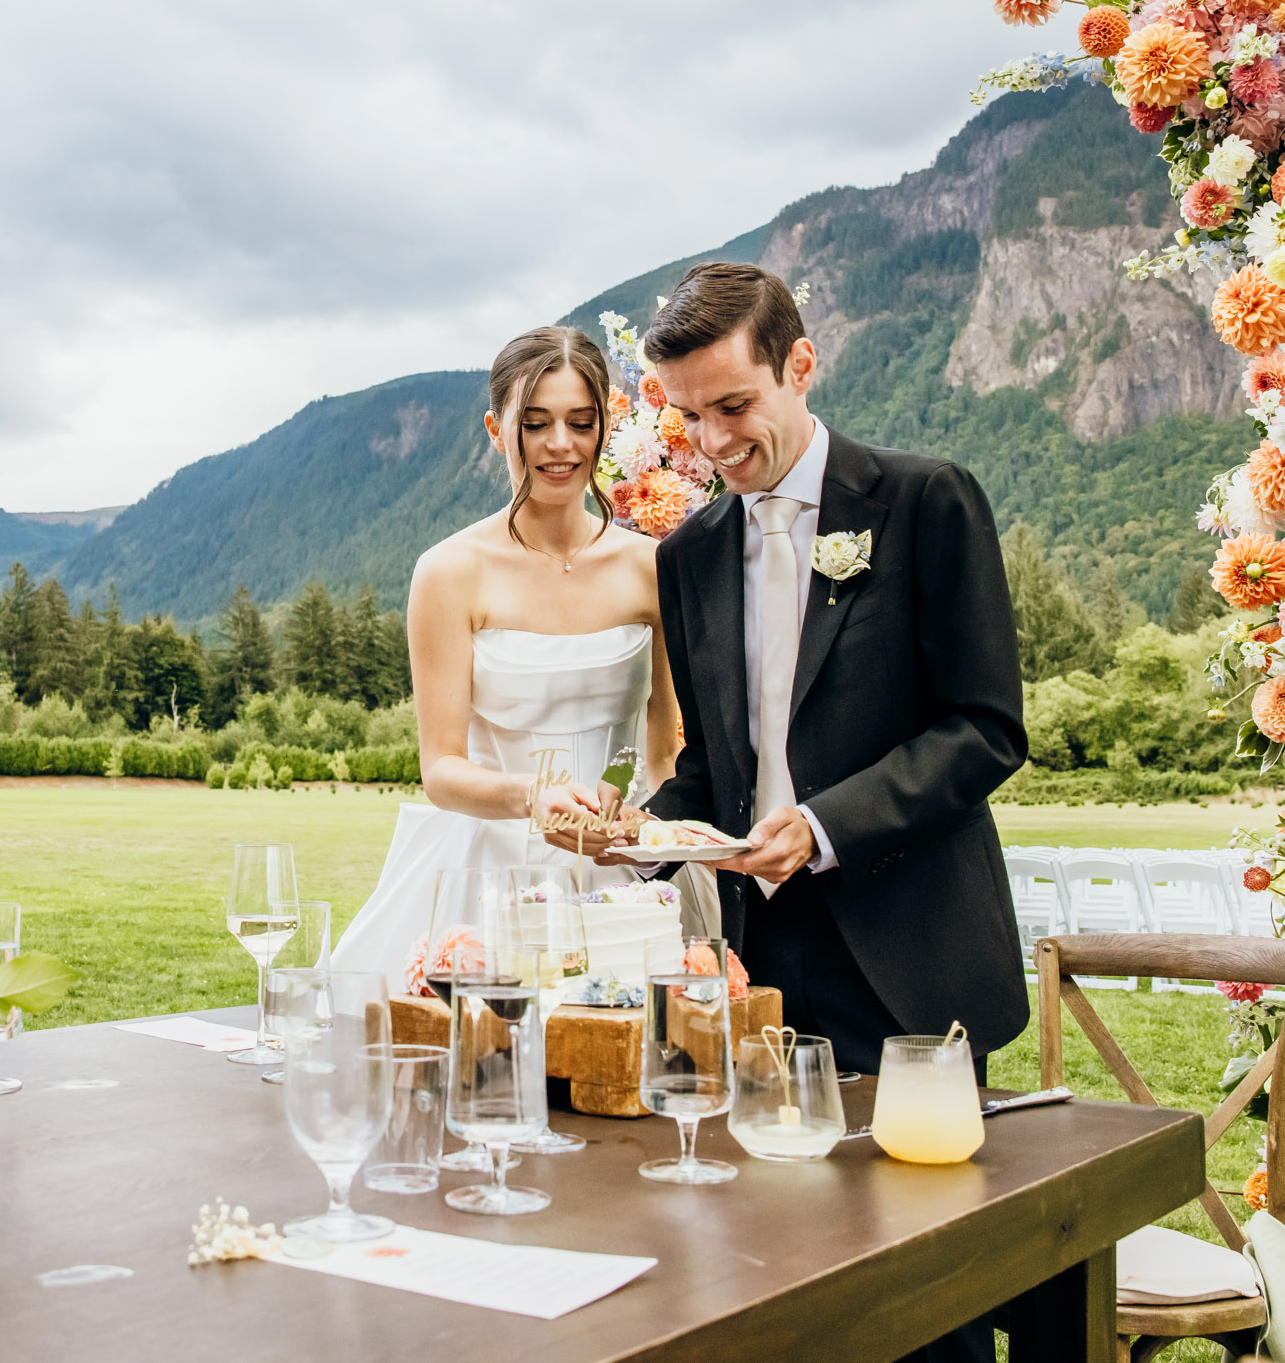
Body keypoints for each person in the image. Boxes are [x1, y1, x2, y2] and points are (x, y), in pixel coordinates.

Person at [617, 262, 1024, 1363]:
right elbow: (713, 764)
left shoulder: (926, 500)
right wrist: (640, 837)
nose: (710, 442)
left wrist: (827, 824)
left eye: (733, 408)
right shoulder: (689, 552)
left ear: (800, 366)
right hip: (764, 970)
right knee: (776, 1277)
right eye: (688, 417)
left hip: (911, 957)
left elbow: (985, 727)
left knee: (930, 1292)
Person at [328, 325, 681, 988]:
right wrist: (533, 797)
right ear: (497, 429)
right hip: (487, 869)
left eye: (581, 422)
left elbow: (661, 754)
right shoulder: (449, 573)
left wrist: (646, 829)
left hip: (625, 870)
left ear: (606, 426)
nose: (560, 444)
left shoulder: (653, 567)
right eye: (536, 423)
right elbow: (442, 769)